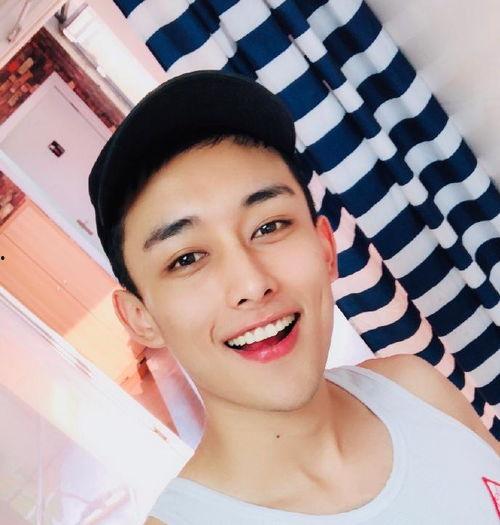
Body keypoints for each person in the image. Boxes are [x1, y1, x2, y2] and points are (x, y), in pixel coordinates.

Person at [88, 70, 499, 525]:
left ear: (325, 249)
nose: (251, 284)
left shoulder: (413, 386)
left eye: (269, 226)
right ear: (140, 318)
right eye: (186, 258)